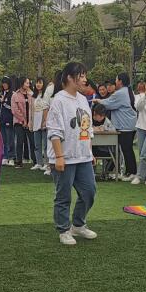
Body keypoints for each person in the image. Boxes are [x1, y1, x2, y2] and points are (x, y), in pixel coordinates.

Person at [47, 61, 97, 246]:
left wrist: (90, 152)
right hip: (64, 157)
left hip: (83, 156)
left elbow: (88, 128)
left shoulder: (83, 100)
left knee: (89, 191)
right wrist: (59, 157)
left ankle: (78, 224)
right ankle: (63, 230)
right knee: (63, 196)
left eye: (85, 76)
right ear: (69, 77)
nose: (85, 80)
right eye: (81, 76)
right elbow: (54, 131)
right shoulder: (58, 100)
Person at [96, 72, 138, 181]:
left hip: (125, 126)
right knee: (127, 149)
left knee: (126, 150)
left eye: (116, 80)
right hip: (129, 125)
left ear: (120, 81)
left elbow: (109, 104)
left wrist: (98, 100)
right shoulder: (127, 91)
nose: (115, 82)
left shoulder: (120, 93)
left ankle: (131, 172)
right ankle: (130, 172)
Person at [11, 76, 34, 167]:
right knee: (20, 142)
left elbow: (32, 108)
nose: (28, 85)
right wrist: (23, 120)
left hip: (30, 122)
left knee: (32, 142)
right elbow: (14, 110)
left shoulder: (31, 94)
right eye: (26, 83)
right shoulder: (15, 95)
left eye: (29, 83)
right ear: (22, 83)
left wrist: (29, 121)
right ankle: (19, 161)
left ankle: (35, 161)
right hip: (19, 122)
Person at [31, 76, 52, 173]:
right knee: (37, 145)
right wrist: (31, 121)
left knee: (46, 145)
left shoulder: (46, 95)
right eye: (37, 82)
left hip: (44, 122)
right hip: (36, 123)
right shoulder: (34, 96)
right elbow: (32, 110)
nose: (38, 84)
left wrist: (45, 121)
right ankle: (39, 163)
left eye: (40, 82)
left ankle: (47, 164)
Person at [0, 77, 14, 164]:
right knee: (3, 140)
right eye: (3, 83)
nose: (4, 85)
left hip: (9, 120)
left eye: (6, 83)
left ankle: (11, 157)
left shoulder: (12, 94)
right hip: (1, 120)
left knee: (10, 139)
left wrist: (3, 102)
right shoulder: (1, 93)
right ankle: (5, 156)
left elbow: (12, 108)